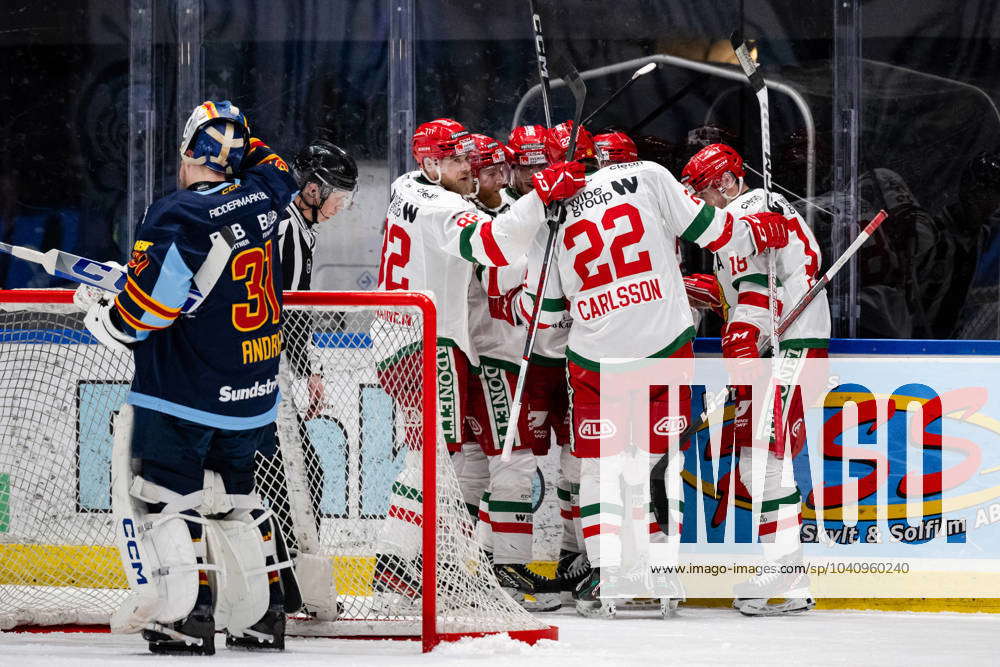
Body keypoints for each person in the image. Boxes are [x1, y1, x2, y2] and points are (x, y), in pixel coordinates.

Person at [521, 132, 794, 618]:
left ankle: (607, 573)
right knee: (660, 462)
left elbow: (543, 315)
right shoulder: (648, 175)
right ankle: (660, 569)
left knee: (600, 468)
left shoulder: (553, 213)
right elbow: (711, 229)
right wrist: (756, 232)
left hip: (594, 360)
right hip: (663, 348)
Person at [74, 100, 299, 653]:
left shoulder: (177, 213)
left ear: (187, 151)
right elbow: (276, 166)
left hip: (187, 389)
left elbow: (145, 314)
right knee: (240, 499)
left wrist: (103, 315)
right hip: (253, 388)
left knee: (167, 496)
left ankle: (186, 617)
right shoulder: (265, 190)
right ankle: (262, 617)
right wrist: (240, 142)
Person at [371, 118, 585, 602]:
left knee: (444, 456)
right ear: (430, 164)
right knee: (435, 455)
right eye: (458, 160)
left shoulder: (406, 186)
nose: (468, 168)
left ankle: (421, 561)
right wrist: (540, 196)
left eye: (470, 159)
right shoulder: (445, 208)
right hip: (429, 340)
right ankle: (396, 562)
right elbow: (493, 244)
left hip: (399, 334)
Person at [681, 142, 831, 615]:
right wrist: (723, 301)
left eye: (702, 191)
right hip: (784, 346)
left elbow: (762, 287)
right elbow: (777, 273)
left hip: (786, 350)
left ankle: (788, 578)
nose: (698, 202)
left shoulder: (748, 208)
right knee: (758, 463)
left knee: (764, 463)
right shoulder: (759, 208)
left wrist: (744, 330)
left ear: (726, 182)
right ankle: (785, 572)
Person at [255, 138, 359, 619]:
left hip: (257, 368)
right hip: (260, 373)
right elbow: (289, 314)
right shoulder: (289, 231)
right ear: (312, 190)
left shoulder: (292, 224)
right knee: (295, 475)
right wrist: (310, 371)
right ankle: (280, 586)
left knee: (288, 475)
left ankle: (278, 585)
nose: (343, 205)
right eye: (338, 193)